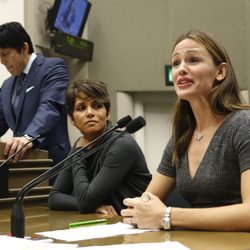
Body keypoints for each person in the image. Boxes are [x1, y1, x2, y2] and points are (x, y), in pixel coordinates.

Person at [121, 30, 250, 231]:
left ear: (220, 72)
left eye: (193, 60)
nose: (181, 69)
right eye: (176, 63)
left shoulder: (244, 124)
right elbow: (145, 203)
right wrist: (136, 211)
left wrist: (167, 215)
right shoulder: (182, 136)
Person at [48, 79, 152, 215]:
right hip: (108, 225)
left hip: (137, 228)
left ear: (108, 113)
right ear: (72, 119)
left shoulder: (121, 144)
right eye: (81, 108)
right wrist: (95, 206)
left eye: (96, 106)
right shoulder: (80, 145)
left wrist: (79, 153)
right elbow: (55, 197)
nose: (90, 113)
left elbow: (85, 203)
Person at [0, 22, 71, 166]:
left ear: (24, 48)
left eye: (5, 54)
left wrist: (28, 136)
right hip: (20, 167)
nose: (2, 61)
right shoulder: (7, 85)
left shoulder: (53, 68)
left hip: (52, 164)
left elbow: (50, 106)